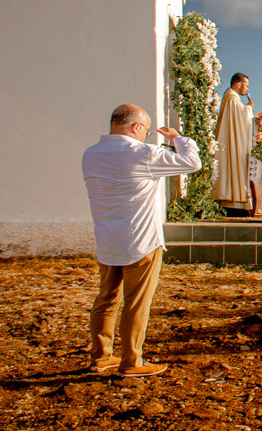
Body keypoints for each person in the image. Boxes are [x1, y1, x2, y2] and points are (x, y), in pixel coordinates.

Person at [82, 104, 202, 377]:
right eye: (146, 131)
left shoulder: (91, 154)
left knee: (106, 299)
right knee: (136, 302)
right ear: (136, 127)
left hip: (107, 238)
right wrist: (177, 138)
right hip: (141, 240)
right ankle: (132, 361)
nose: (146, 137)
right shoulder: (142, 153)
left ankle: (101, 356)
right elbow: (192, 162)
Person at [214, 72, 259, 216]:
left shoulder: (231, 98)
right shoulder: (232, 98)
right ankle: (234, 203)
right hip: (232, 144)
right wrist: (249, 108)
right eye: (246, 86)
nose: (247, 89)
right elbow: (241, 118)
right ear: (239, 84)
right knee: (233, 166)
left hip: (231, 140)